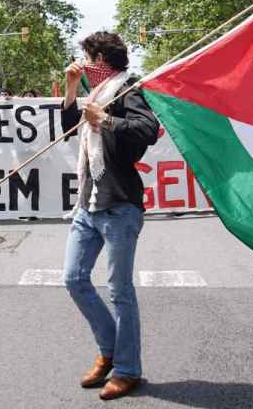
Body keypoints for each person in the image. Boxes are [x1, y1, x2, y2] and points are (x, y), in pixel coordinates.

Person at [61, 32, 159, 401]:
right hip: (88, 204)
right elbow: (69, 127)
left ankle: (128, 370)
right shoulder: (96, 94)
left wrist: (104, 120)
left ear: (101, 59)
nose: (81, 63)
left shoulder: (127, 90)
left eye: (86, 58)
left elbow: (146, 131)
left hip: (120, 205)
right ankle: (111, 350)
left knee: (120, 290)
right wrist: (71, 89)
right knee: (73, 278)